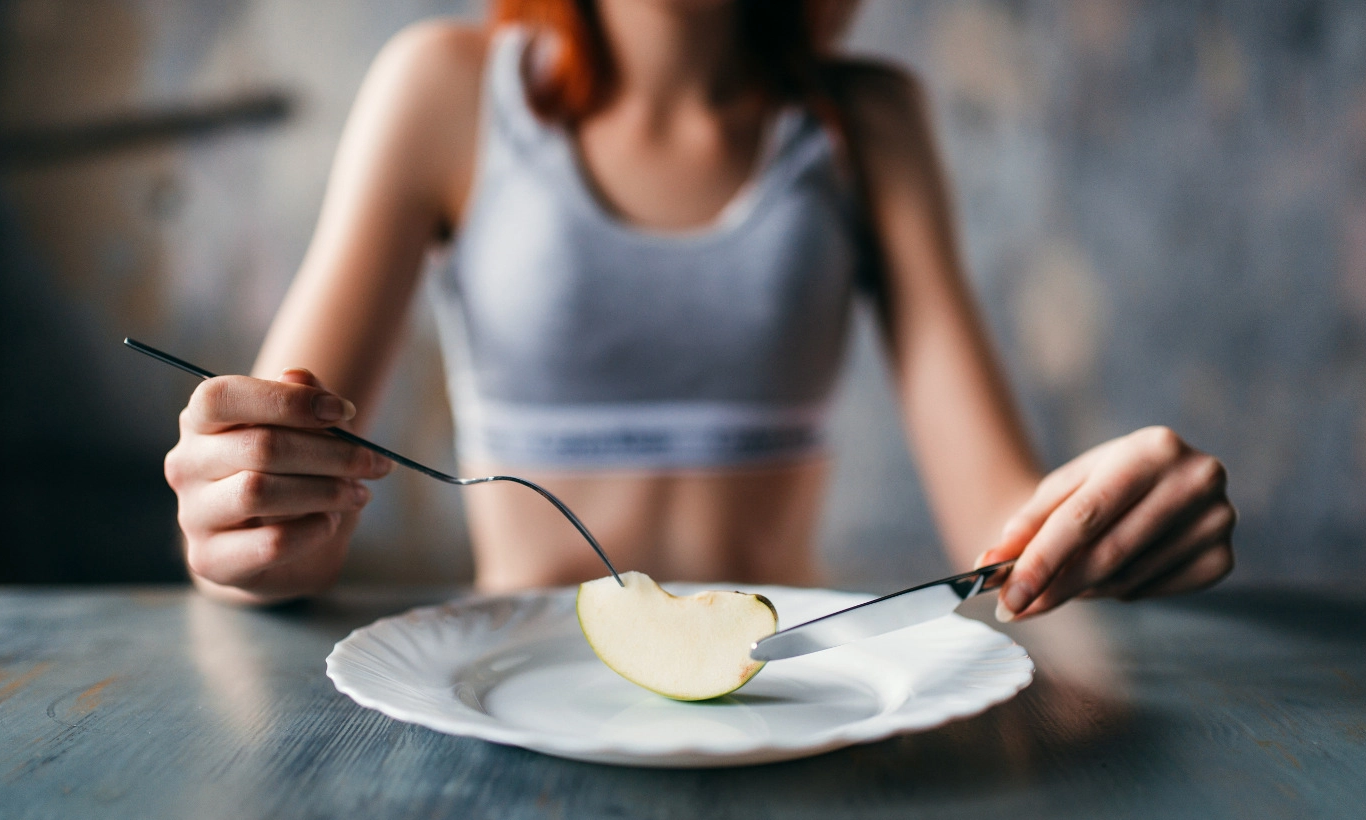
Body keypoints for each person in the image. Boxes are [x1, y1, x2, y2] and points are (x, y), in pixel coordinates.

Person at [162, 0, 1236, 619]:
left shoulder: (866, 122)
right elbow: (276, 464)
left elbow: (1002, 532)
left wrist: (1109, 524)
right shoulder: (441, 89)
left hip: (784, 702)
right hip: (515, 704)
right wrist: (251, 525)